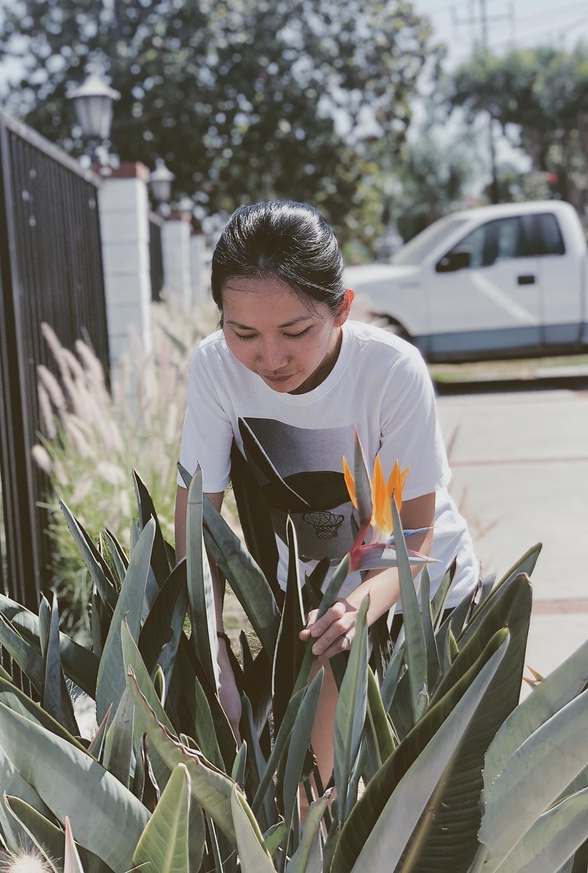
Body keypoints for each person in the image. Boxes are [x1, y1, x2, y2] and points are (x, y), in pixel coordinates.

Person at [175, 199, 480, 785]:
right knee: (321, 796)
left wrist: (361, 604)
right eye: (243, 332)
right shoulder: (216, 369)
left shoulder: (392, 370)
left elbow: (416, 536)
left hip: (428, 595)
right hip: (321, 612)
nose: (270, 357)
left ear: (342, 309)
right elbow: (200, 524)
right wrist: (210, 650)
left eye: (295, 331)